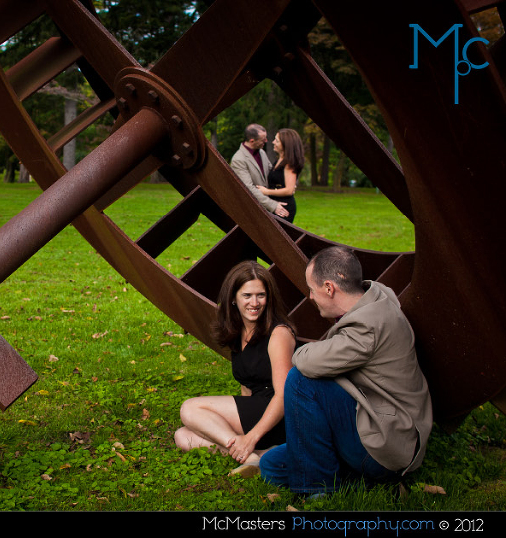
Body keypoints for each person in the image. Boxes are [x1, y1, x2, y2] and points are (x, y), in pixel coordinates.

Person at [259, 246, 433, 495]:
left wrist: (301, 352)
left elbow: (305, 362)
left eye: (312, 289)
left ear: (329, 288)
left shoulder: (367, 327)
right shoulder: (376, 297)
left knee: (300, 380)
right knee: (271, 465)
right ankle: (364, 482)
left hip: (387, 442)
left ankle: (316, 491)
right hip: (368, 413)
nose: (311, 297)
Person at [174, 261, 297, 477]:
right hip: (256, 410)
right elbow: (247, 387)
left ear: (269, 298)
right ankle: (260, 456)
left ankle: (250, 453)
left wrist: (251, 437)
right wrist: (242, 433)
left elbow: (284, 395)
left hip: (278, 416)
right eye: (247, 295)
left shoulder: (279, 334)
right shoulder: (237, 331)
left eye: (261, 295)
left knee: (189, 409)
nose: (254, 303)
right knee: (183, 436)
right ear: (233, 298)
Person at [230, 124, 289, 219]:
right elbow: (248, 188)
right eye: (263, 139)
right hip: (252, 210)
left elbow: (272, 173)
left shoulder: (261, 152)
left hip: (267, 208)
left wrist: (288, 183)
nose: (266, 141)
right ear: (252, 141)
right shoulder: (238, 159)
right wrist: (273, 205)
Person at [257, 129, 304, 224]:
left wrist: (266, 191)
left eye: (277, 140)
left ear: (285, 144)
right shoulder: (279, 160)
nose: (273, 142)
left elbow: (289, 190)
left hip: (284, 208)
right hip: (275, 205)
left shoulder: (289, 164)